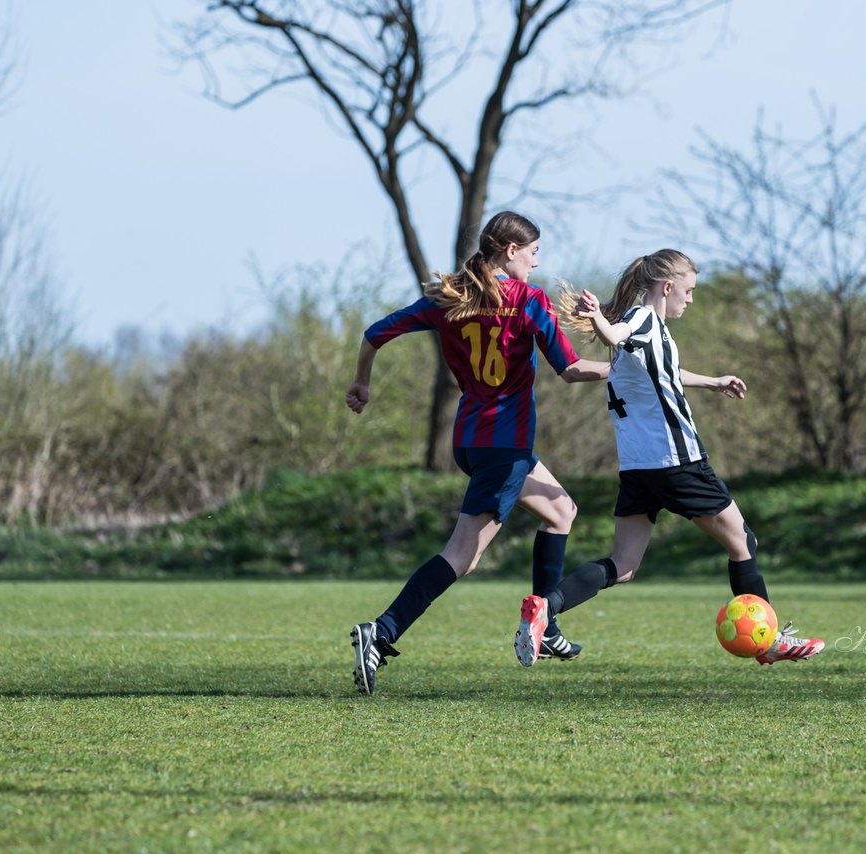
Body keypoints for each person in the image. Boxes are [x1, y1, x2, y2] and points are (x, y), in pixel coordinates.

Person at [513, 249, 824, 667]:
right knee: (743, 542)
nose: (690, 300)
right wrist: (601, 321)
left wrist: (713, 382)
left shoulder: (650, 335)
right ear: (667, 287)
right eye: (689, 290)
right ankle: (768, 643)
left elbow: (665, 373)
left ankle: (545, 609)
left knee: (622, 566)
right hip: (679, 464)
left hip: (638, 469)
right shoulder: (642, 321)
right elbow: (616, 334)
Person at [345, 211, 607, 695]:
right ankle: (381, 633)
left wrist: (361, 381)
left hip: (470, 439)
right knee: (463, 555)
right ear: (510, 252)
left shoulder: (448, 297)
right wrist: (628, 368)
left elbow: (373, 334)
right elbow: (570, 370)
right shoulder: (528, 301)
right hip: (504, 446)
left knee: (561, 510)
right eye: (532, 252)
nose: (536, 261)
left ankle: (545, 627)